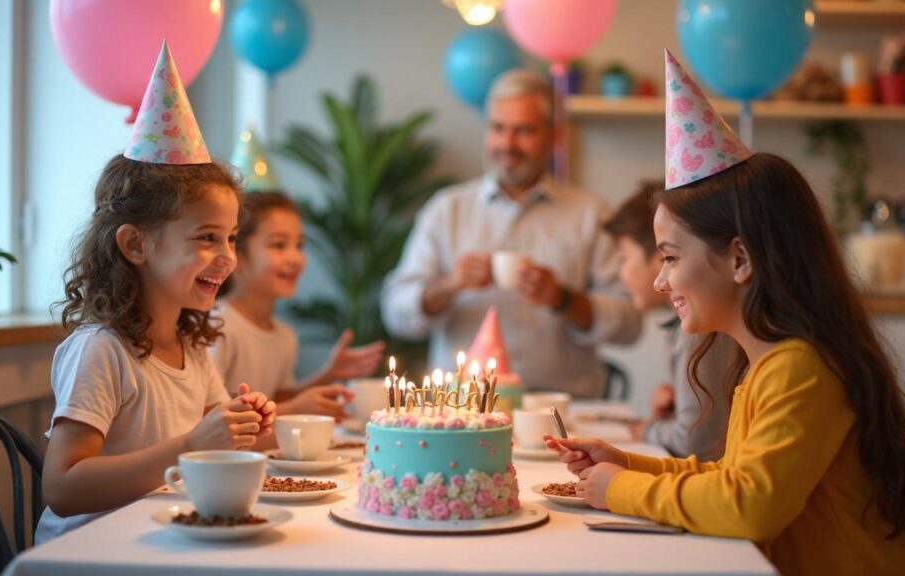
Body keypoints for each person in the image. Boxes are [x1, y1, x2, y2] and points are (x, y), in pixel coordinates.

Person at [545, 51, 905, 575]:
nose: (661, 280)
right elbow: (729, 477)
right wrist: (626, 463)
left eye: (670, 257)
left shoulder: (801, 367)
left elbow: (749, 507)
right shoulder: (769, 364)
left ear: (739, 258)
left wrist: (621, 489)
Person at [38, 44, 276, 543]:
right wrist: (189, 446)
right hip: (94, 554)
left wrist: (249, 429)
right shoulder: (101, 349)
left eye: (231, 238)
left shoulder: (190, 346)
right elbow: (62, 486)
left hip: (164, 541)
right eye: (206, 237)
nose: (228, 256)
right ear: (136, 244)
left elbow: (213, 451)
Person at [381, 69, 640, 397]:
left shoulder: (591, 213)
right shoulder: (447, 209)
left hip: (561, 412)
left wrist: (562, 298)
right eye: (498, 128)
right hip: (462, 409)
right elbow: (396, 313)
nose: (507, 143)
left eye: (524, 131)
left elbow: (630, 324)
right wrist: (450, 284)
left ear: (553, 137)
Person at [210, 190, 385, 422]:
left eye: (299, 245)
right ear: (237, 256)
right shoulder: (217, 326)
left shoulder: (285, 336)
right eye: (279, 245)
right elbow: (211, 412)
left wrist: (329, 374)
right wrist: (296, 407)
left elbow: (278, 399)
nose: (295, 258)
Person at [604, 180, 737, 460]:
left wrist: (649, 429)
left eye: (624, 258)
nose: (621, 274)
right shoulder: (687, 326)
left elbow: (696, 440)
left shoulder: (701, 328)